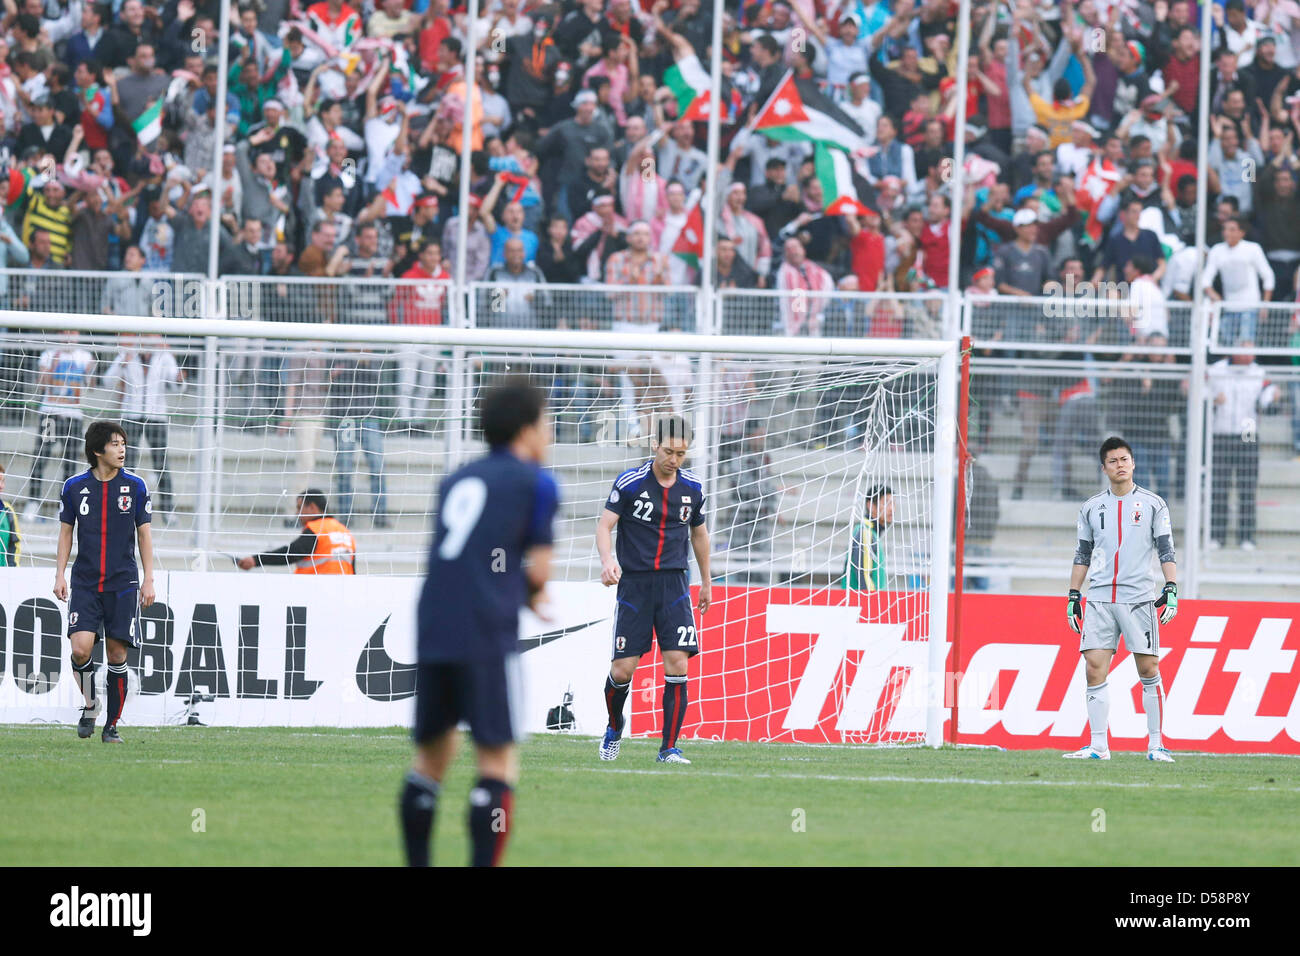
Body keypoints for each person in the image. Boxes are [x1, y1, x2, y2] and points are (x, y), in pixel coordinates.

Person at [400, 379, 558, 867]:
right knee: (497, 761)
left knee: (430, 758)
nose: (549, 433)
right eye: (546, 422)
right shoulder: (538, 482)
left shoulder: (457, 478)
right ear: (528, 427)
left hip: (433, 623)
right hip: (487, 629)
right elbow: (538, 569)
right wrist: (534, 594)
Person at [596, 415, 711, 765]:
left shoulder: (692, 488)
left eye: (681, 453)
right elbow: (604, 526)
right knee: (622, 671)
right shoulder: (630, 482)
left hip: (674, 583)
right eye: (668, 451)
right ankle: (615, 729)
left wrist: (706, 581)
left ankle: (669, 748)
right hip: (635, 584)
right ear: (653, 445)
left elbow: (699, 534)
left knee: (678, 663)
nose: (673, 459)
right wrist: (607, 560)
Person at [1065, 437, 1177, 762]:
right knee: (1094, 667)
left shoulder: (1154, 504)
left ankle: (1156, 745)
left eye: (1124, 459)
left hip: (1137, 598)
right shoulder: (1090, 507)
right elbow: (1082, 553)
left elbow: (1165, 547)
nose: (1120, 465)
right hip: (1099, 597)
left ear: (1133, 463)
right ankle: (1099, 746)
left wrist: (1171, 586)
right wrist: (1074, 594)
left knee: (1148, 667)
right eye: (1113, 461)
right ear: (1104, 468)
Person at [55, 420, 156, 744]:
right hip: (85, 581)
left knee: (116, 655)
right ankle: (90, 704)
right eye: (114, 444)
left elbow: (144, 534)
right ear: (98, 450)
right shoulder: (73, 486)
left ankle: (111, 726)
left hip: (123, 582)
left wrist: (149, 579)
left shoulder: (136, 486)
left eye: (123, 443)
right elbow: (66, 531)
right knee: (81, 650)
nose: (122, 449)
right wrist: (59, 573)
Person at [102, 335, 185, 523]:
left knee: (161, 463)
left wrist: (179, 378)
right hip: (131, 415)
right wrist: (123, 362)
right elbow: (107, 381)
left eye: (153, 336)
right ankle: (123, 507)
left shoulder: (164, 357)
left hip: (156, 416)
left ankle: (168, 510)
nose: (149, 340)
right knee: (126, 463)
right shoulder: (127, 354)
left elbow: (177, 385)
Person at [1207, 345, 1279, 550]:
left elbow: (1268, 391)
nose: (1251, 355)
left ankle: (1246, 537)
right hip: (1221, 432)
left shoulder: (1258, 372)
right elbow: (1200, 391)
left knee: (1247, 487)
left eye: (1252, 351)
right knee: (1219, 487)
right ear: (1233, 352)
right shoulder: (1215, 370)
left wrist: (1273, 395)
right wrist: (1212, 399)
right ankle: (1217, 536)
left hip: (1248, 430)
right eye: (1246, 351)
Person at [26, 332, 96, 523]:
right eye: (65, 333)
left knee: (70, 461)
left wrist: (90, 372)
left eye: (72, 334)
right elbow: (41, 385)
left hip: (73, 416)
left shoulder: (84, 356)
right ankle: (33, 502)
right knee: (41, 456)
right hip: (50, 414)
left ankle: (63, 506)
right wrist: (53, 366)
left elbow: (91, 385)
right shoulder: (48, 355)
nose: (69, 338)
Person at [236, 489, 356, 574]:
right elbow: (352, 570)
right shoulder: (345, 532)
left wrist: (256, 560)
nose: (297, 513)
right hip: (342, 595)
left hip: (317, 591)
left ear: (313, 507)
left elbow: (290, 553)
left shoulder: (316, 529)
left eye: (299, 508)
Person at [842, 484, 893, 591]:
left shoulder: (871, 533)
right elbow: (864, 580)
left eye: (893, 503)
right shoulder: (865, 533)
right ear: (870, 506)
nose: (892, 508)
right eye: (887, 503)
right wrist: (876, 605)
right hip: (865, 605)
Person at [0, 463, 21, 566]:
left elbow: (15, 544)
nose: (1, 486)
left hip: (4, 575)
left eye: (3, 481)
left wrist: (12, 568)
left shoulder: (8, 510)